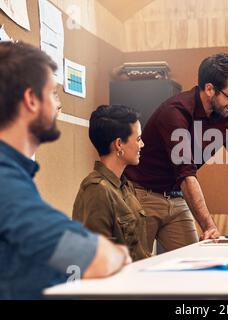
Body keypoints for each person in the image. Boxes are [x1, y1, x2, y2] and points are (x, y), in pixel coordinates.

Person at [0, 41, 131, 299]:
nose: (58, 105)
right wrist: (112, 253)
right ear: (31, 100)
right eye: (53, 93)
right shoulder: (5, 180)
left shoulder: (15, 173)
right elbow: (94, 259)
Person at [125, 53, 228, 252]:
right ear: (210, 89)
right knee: (135, 267)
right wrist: (210, 226)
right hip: (142, 195)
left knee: (194, 263)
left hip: (176, 197)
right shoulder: (175, 112)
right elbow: (186, 174)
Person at [73, 105, 152, 261]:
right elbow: (97, 258)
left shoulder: (125, 186)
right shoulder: (96, 190)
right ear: (119, 144)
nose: (142, 144)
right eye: (138, 139)